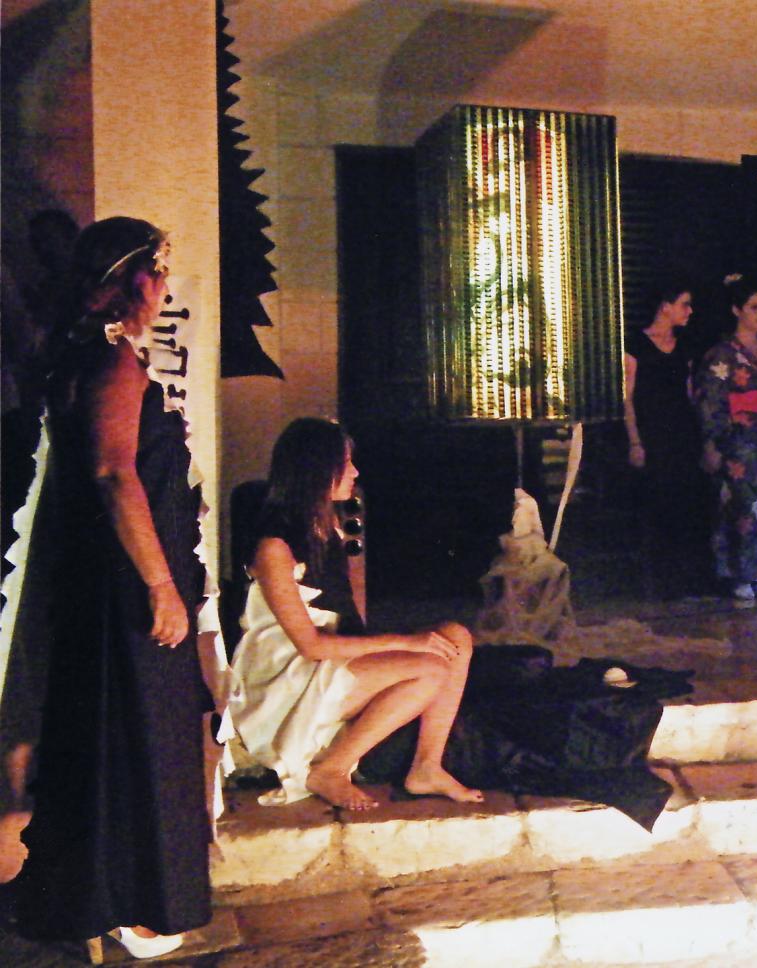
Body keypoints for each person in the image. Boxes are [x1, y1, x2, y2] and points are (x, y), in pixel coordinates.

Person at [10, 218, 214, 958]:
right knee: (145, 738)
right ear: (138, 280)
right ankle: (135, 901)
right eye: (161, 272)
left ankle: (108, 899)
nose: (165, 288)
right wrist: (161, 585)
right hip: (127, 588)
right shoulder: (112, 361)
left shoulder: (86, 354)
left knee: (115, 737)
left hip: (108, 584)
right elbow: (113, 472)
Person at [228, 418, 480, 811]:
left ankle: (427, 766)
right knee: (431, 669)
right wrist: (405, 644)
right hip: (289, 674)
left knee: (456, 638)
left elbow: (346, 607)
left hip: (330, 654)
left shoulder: (331, 525)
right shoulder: (273, 548)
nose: (355, 472)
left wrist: (394, 647)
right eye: (346, 463)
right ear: (317, 469)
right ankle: (330, 769)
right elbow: (310, 646)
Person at [694, 276, 757, 599]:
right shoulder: (722, 354)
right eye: (753, 307)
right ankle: (740, 575)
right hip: (739, 441)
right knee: (742, 506)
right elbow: (710, 399)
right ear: (737, 310)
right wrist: (712, 442)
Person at [622, 283, 707, 598]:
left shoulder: (684, 347)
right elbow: (627, 398)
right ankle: (656, 581)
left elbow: (689, 394)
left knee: (684, 503)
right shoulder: (636, 345)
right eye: (684, 304)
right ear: (665, 306)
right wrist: (635, 441)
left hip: (682, 433)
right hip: (653, 433)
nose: (689, 311)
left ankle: (683, 578)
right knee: (656, 503)